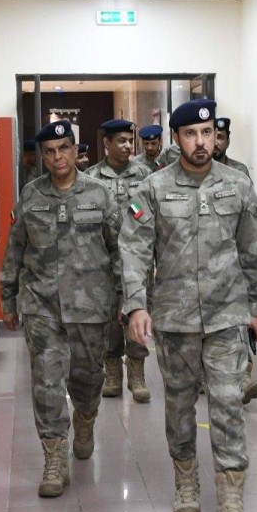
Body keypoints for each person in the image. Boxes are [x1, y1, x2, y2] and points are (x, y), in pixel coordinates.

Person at [121, 98, 257, 512]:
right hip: (175, 318)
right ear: (176, 138)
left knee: (228, 404)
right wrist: (136, 305)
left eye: (207, 133)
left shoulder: (237, 184)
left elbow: (253, 250)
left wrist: (256, 308)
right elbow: (134, 250)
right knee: (180, 405)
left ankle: (231, 500)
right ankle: (186, 480)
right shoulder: (153, 188)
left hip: (227, 315)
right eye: (191, 134)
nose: (201, 142)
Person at [0, 120, 121, 496]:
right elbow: (15, 249)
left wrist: (128, 299)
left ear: (74, 148)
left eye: (64, 148)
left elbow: (120, 249)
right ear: (43, 156)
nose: (57, 157)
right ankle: (54, 456)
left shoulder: (100, 194)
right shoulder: (31, 195)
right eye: (50, 152)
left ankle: (85, 417)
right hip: (42, 305)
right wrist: (8, 298)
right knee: (46, 382)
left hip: (90, 306)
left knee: (88, 378)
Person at [84, 119, 153, 402]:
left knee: (137, 315)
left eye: (129, 141)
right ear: (107, 143)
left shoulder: (145, 174)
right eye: (121, 141)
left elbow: (151, 217)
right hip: (104, 264)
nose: (127, 146)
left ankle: (137, 375)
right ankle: (112, 372)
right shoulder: (91, 178)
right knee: (110, 323)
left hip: (137, 261)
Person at [212, 117, 257, 403]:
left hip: (236, 261)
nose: (216, 142)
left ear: (228, 140)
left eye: (221, 137)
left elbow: (252, 217)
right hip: (207, 266)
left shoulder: (239, 173)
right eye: (213, 136)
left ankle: (243, 375)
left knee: (241, 321)